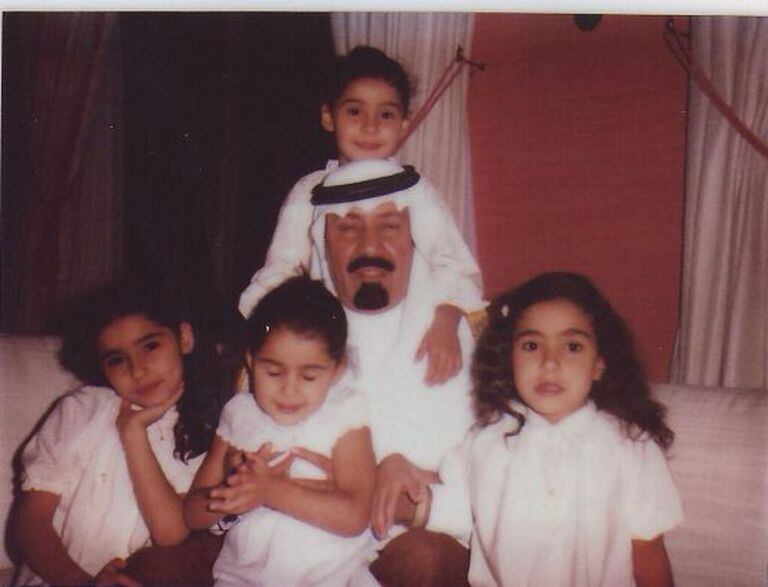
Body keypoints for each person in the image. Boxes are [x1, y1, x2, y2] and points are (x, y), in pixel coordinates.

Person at [414, 271, 684, 586]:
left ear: (599, 363)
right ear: (509, 359)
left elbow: (649, 561)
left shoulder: (630, 447)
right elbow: (459, 506)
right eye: (531, 345)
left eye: (572, 346)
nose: (550, 362)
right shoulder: (485, 440)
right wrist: (412, 490)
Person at [238, 45, 484, 386]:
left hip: (412, 335)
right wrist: (269, 336)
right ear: (329, 117)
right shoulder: (309, 191)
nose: (370, 127)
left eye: (386, 115)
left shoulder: (415, 189)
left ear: (404, 123)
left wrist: (445, 323)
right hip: (336, 333)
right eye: (355, 111)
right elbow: (282, 269)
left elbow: (453, 261)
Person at [306, 157, 477, 585]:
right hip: (311, 537)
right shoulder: (295, 340)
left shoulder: (462, 339)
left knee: (424, 560)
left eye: (389, 226)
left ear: (413, 239)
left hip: (421, 539)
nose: (370, 245)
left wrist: (418, 491)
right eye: (348, 228)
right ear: (324, 244)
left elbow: (500, 489)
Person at [12, 279, 225, 586]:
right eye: (117, 360)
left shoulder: (206, 429)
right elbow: (30, 523)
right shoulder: (81, 410)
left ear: (184, 338)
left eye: (150, 346)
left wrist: (134, 435)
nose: (138, 370)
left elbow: (170, 534)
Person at [184, 276, 378, 586]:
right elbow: (192, 513)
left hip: (333, 577)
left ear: (337, 369)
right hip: (243, 579)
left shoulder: (344, 415)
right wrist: (230, 490)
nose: (289, 390)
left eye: (309, 376)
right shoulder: (239, 414)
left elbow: (355, 515)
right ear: (251, 360)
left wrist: (269, 490)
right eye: (273, 372)